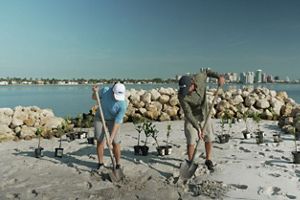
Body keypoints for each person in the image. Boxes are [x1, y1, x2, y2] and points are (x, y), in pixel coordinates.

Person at [178, 69, 225, 171]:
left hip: (205, 113)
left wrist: (219, 77)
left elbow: (207, 72)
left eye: (187, 90)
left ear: (192, 84)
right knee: (191, 139)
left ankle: (208, 159)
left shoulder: (199, 78)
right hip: (191, 117)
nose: (186, 93)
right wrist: (198, 128)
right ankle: (191, 162)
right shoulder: (181, 96)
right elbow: (188, 113)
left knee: (209, 137)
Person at [92, 82, 127, 170]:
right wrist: (95, 92)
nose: (117, 99)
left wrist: (110, 139)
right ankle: (100, 163)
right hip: (100, 117)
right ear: (112, 91)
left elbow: (117, 122)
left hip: (113, 120)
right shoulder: (105, 91)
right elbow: (93, 97)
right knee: (100, 139)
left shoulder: (123, 105)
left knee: (116, 142)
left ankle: (118, 164)